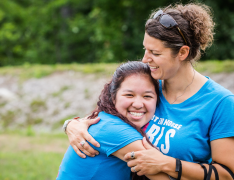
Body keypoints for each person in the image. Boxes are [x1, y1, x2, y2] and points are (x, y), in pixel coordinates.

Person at [64, 3, 234, 180]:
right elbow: (109, 119)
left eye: (155, 53)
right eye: (145, 49)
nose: (145, 59)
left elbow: (227, 175)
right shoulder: (147, 88)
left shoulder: (221, 104)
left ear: (182, 52)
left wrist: (169, 164)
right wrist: (72, 125)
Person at [57, 61, 164, 180]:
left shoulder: (106, 119)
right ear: (113, 97)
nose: (138, 104)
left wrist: (69, 124)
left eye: (147, 96)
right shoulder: (113, 129)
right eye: (129, 95)